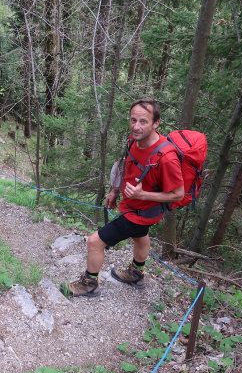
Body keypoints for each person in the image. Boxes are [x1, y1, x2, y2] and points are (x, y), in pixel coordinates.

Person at [62, 98, 184, 298]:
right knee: (140, 237)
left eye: (143, 121)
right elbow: (126, 166)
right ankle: (136, 273)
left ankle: (89, 284)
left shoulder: (167, 157)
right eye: (133, 120)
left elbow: (178, 193)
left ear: (156, 124)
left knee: (94, 241)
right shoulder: (134, 140)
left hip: (141, 212)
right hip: (133, 205)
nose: (136, 126)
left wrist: (143, 194)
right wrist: (115, 191)